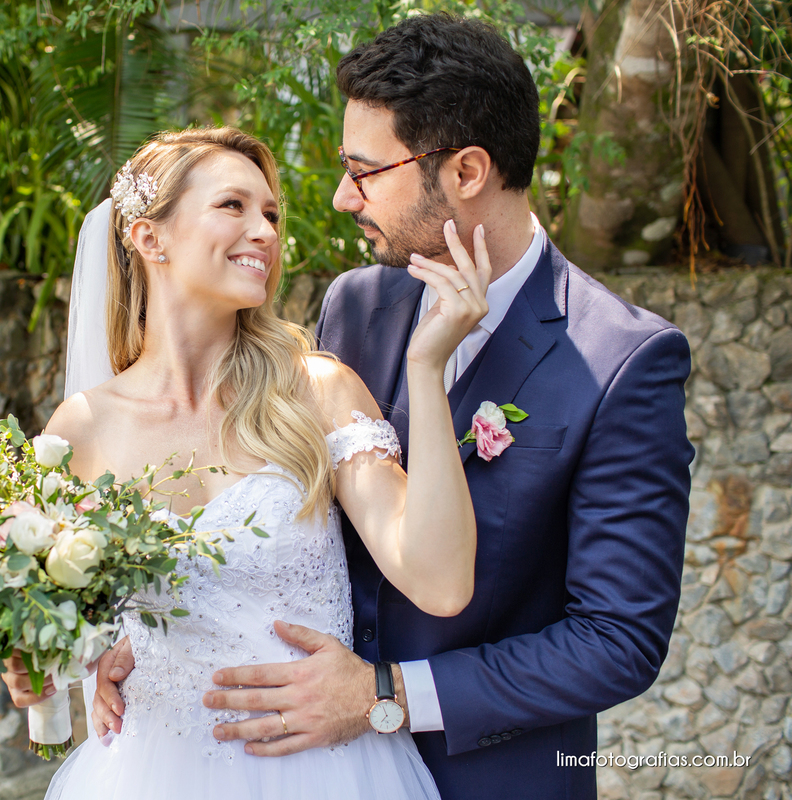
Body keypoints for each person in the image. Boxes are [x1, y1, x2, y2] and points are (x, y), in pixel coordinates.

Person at [90, 15, 694, 800]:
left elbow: (617, 641)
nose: (342, 198)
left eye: (366, 171)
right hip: (278, 766)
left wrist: (386, 695)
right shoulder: (359, 305)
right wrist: (168, 639)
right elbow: (288, 525)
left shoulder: (622, 359)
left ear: (467, 171)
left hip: (490, 778)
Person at [1, 125, 499, 798]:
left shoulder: (318, 391)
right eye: (232, 206)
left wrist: (426, 365)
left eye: (269, 213)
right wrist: (58, 663)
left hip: (324, 772)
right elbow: (67, 617)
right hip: (149, 771)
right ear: (151, 238)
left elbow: (440, 582)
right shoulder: (82, 430)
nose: (264, 230)